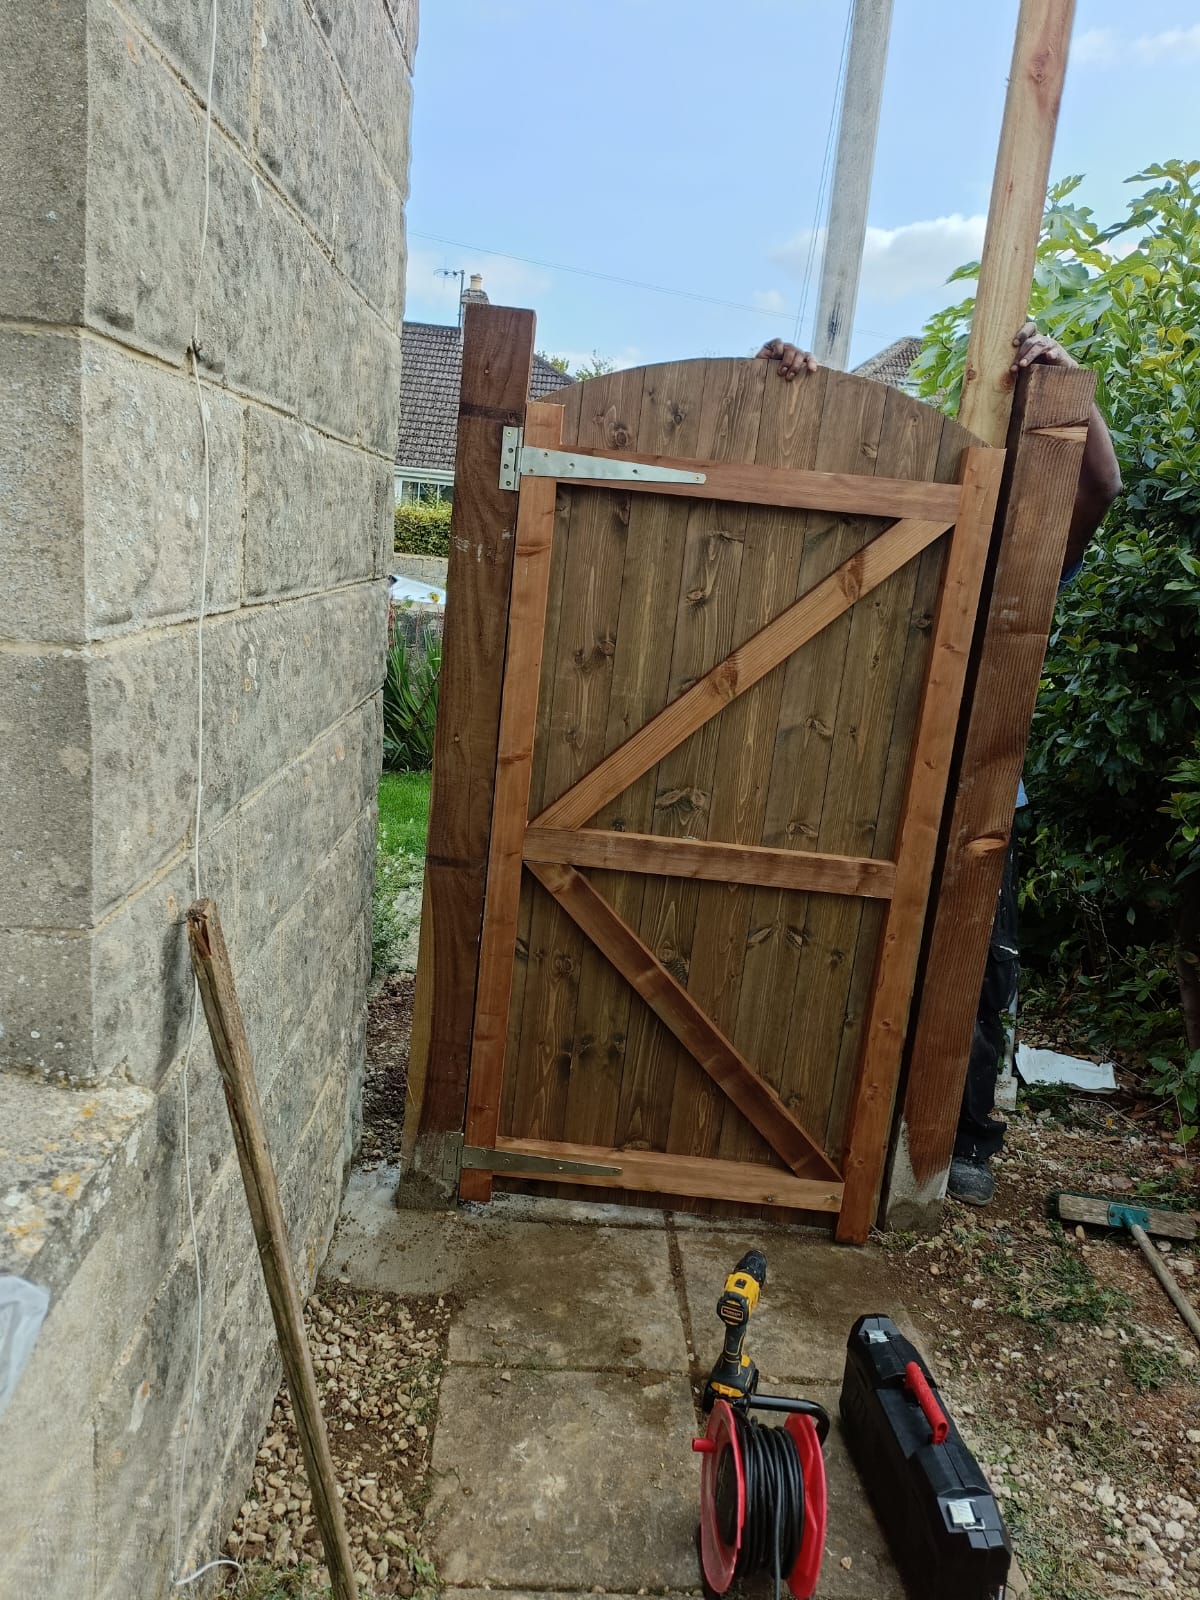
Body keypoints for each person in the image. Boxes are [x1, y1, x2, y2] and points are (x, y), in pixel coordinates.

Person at [756, 324, 1122, 1207]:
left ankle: (960, 1140)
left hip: (982, 796)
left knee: (974, 972)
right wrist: (779, 387)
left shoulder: (1021, 554)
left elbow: (1101, 487)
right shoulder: (882, 523)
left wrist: (1078, 398)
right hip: (865, 777)